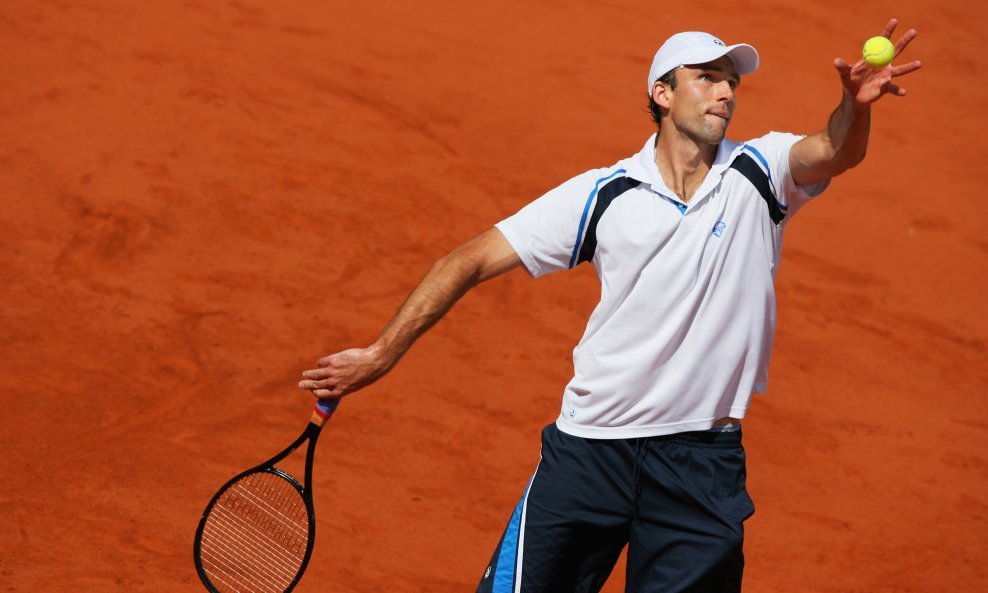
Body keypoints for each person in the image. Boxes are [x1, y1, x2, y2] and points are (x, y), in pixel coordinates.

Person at [298, 20, 921, 593]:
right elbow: (468, 260)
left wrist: (853, 108)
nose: (724, 93)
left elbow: (836, 149)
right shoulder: (604, 194)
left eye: (731, 82)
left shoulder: (760, 172)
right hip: (591, 451)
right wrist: (382, 352)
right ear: (662, 93)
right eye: (705, 78)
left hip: (700, 466)